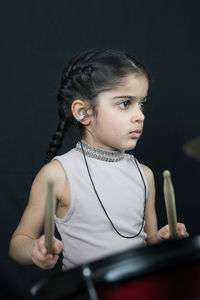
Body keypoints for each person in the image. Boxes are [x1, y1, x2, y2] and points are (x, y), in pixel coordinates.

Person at [9, 48, 189, 271]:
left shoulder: (144, 175)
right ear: (83, 112)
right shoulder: (58, 174)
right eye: (125, 103)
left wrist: (161, 240)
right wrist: (34, 249)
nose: (140, 115)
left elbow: (148, 241)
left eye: (142, 104)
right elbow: (19, 242)